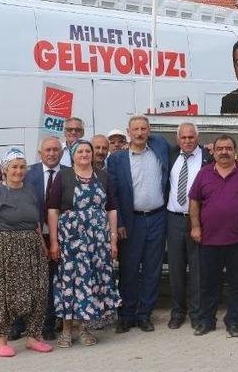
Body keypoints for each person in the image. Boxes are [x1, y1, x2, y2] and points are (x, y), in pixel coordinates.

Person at [0, 148, 52, 358]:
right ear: (5, 169)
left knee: (39, 290)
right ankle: (1, 339)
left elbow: (36, 222)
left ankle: (34, 337)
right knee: (7, 294)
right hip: (5, 246)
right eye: (14, 167)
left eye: (22, 167)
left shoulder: (30, 190)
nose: (18, 171)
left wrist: (43, 246)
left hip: (32, 245)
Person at [47, 140, 120, 348]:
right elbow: (52, 209)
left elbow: (111, 208)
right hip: (71, 241)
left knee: (91, 281)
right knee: (69, 283)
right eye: (80, 151)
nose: (85, 154)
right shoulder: (64, 176)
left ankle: (85, 329)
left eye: (88, 150)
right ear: (72, 155)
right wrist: (54, 241)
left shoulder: (103, 176)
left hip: (97, 242)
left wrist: (113, 238)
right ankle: (67, 331)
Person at [189, 135, 238, 338]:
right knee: (208, 284)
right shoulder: (204, 174)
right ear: (213, 152)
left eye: (228, 148)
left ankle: (233, 322)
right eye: (220, 148)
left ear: (235, 151)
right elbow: (194, 201)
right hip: (209, 240)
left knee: (237, 284)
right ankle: (207, 321)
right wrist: (195, 227)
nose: (224, 152)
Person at [106, 115, 171, 333]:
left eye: (144, 128)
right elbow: (113, 194)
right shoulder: (117, 159)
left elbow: (185, 145)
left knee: (152, 270)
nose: (140, 133)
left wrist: (206, 147)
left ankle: (145, 315)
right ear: (129, 132)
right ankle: (126, 315)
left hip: (157, 217)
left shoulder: (159, 148)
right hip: (131, 220)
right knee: (129, 270)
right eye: (135, 129)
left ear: (149, 130)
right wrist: (120, 223)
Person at [8, 136, 63, 342]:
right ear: (40, 153)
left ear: (62, 152)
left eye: (55, 150)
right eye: (47, 150)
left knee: (49, 283)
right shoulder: (27, 174)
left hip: (58, 236)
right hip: (30, 236)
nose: (51, 153)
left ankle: (47, 324)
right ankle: (18, 323)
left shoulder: (67, 174)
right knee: (25, 281)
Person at [165, 122, 210, 329]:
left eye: (191, 137)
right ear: (177, 140)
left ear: (197, 138)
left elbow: (231, 160)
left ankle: (196, 313)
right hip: (173, 220)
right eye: (183, 137)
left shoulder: (208, 157)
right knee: (176, 270)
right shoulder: (170, 155)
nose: (187, 141)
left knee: (199, 270)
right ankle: (177, 312)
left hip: (199, 221)